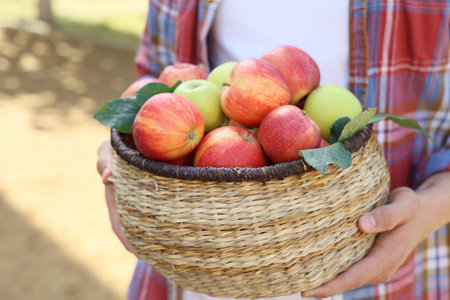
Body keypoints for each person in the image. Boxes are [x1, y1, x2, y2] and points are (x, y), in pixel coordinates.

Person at [97, 0, 450, 299]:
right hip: (198, 261)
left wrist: (428, 211)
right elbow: (157, 77)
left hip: (373, 264)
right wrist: (128, 149)